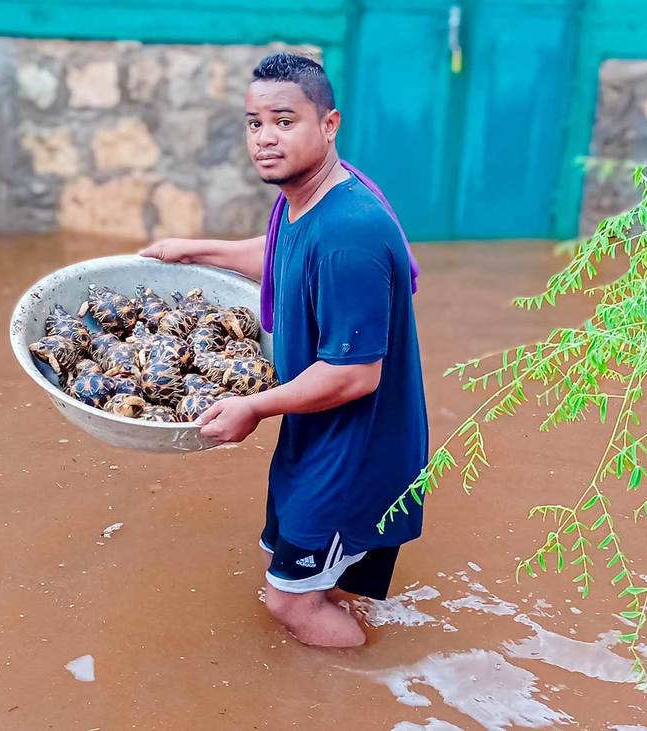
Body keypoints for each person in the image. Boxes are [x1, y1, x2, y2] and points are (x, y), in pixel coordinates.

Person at [140, 52, 427, 648]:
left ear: (329, 124)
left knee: (289, 602)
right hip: (315, 437)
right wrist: (195, 251)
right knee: (316, 581)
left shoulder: (351, 234)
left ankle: (366, 693)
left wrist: (254, 406)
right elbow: (282, 254)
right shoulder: (309, 199)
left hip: (355, 453)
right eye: (253, 123)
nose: (265, 139)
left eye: (283, 120)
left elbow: (354, 375)